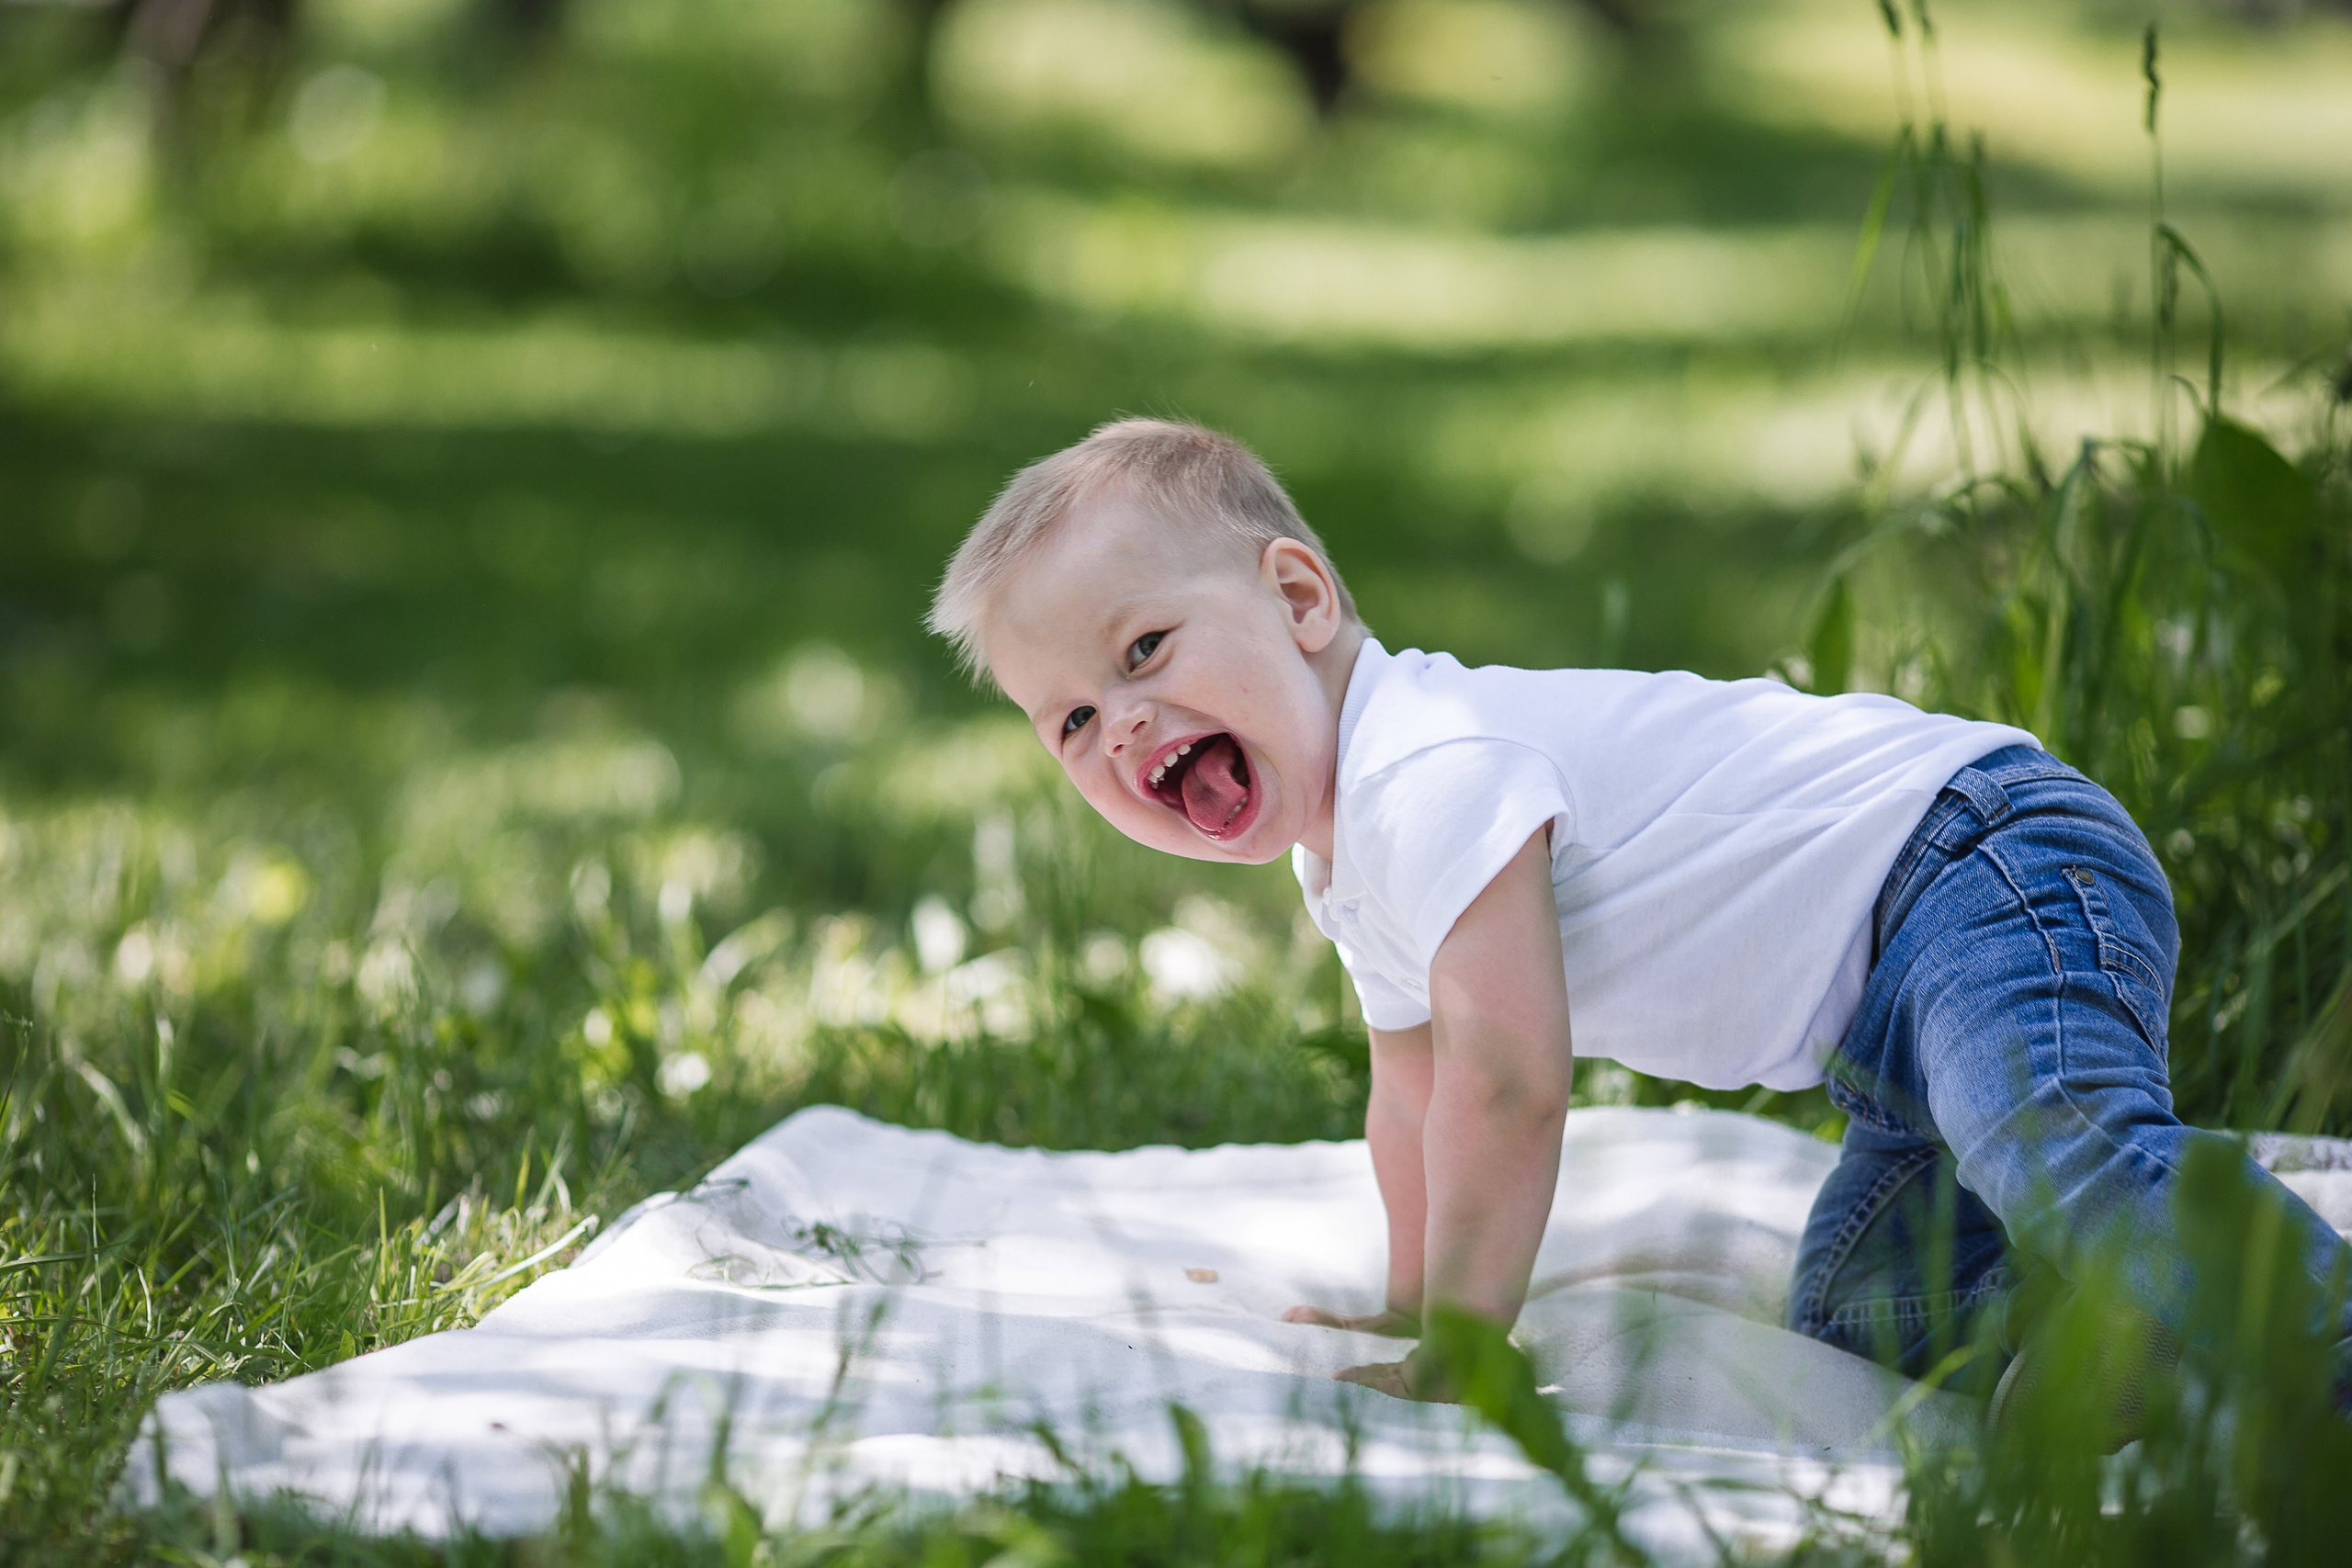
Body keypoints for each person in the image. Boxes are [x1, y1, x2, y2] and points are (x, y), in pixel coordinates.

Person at [925, 416, 2352, 1432]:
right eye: (1072, 720)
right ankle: (2133, 1339)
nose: (1123, 727)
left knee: (2055, 1140)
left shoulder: (1431, 768)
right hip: (1884, 1026)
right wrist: (1411, 1302)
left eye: (1144, 652)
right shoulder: (1346, 853)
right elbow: (1412, 1096)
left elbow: (1504, 1082)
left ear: (1297, 596)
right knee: (1871, 1313)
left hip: (1978, 864)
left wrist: (1468, 1352)